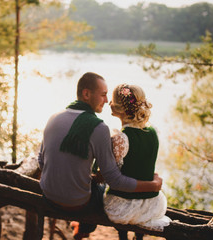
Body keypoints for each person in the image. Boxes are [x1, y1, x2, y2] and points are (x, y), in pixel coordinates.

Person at [38, 72, 163, 240]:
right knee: (101, 188)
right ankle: (84, 229)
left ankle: (81, 229)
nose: (106, 100)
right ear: (87, 94)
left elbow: (41, 162)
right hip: (76, 205)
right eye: (103, 95)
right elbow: (114, 180)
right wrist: (153, 186)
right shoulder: (99, 128)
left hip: (47, 195)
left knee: (93, 181)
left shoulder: (53, 117)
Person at [104, 84, 171, 240]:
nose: (109, 103)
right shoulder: (153, 131)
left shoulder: (121, 138)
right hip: (152, 203)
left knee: (106, 192)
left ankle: (123, 236)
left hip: (123, 205)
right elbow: (145, 166)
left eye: (112, 101)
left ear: (121, 108)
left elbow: (112, 175)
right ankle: (138, 238)